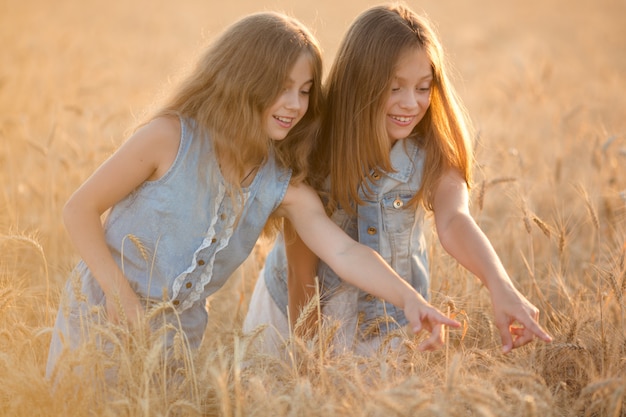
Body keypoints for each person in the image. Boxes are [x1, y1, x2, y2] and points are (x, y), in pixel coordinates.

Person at [45, 11, 460, 381]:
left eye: (305, 90)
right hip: (101, 312)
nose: (295, 104)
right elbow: (78, 210)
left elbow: (345, 252)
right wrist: (120, 298)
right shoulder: (170, 138)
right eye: (282, 87)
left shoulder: (281, 182)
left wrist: (408, 298)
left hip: (178, 338)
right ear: (245, 79)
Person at [243, 4, 552, 357]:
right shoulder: (313, 150)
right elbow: (302, 276)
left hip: (395, 315)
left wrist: (500, 286)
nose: (411, 103)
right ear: (360, 84)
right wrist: (309, 361)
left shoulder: (432, 144)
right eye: (394, 88)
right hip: (296, 316)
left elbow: (454, 219)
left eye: (423, 87)